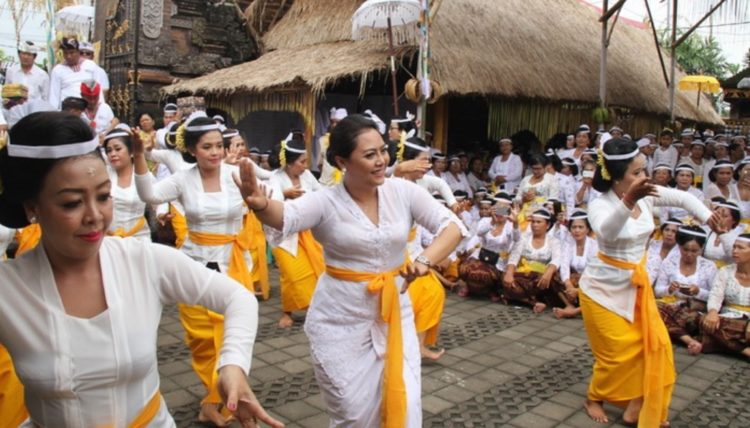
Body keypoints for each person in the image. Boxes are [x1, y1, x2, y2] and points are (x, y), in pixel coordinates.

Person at [0, 111, 280, 427]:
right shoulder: (9, 289)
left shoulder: (142, 260)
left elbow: (238, 299)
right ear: (31, 207)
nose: (95, 216)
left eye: (104, 196)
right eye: (71, 203)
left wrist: (233, 364)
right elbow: (154, 194)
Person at [234, 114, 465, 427]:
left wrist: (425, 261)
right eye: (370, 155)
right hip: (340, 319)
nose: (382, 160)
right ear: (342, 161)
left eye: (383, 151)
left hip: (394, 314)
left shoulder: (403, 192)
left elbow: (451, 227)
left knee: (403, 399)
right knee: (353, 412)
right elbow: (284, 217)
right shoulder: (326, 201)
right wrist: (260, 204)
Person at [578, 137, 721, 426]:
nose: (645, 178)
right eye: (637, 173)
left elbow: (682, 197)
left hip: (636, 287)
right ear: (616, 177)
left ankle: (636, 405)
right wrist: (629, 200)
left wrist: (707, 216)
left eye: (645, 170)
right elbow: (607, 234)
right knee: (617, 355)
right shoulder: (600, 204)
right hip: (600, 291)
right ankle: (594, 396)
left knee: (655, 348)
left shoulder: (646, 194)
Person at [133, 114, 262, 425]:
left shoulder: (237, 173)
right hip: (194, 263)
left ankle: (219, 398)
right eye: (208, 147)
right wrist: (138, 156)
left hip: (233, 262)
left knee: (232, 330)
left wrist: (259, 196)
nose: (216, 152)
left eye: (220, 145)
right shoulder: (183, 178)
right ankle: (214, 396)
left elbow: (267, 196)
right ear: (192, 150)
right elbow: (149, 196)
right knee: (201, 338)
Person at [267, 134, 324, 328]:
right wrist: (285, 194)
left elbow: (320, 192)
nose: (306, 166)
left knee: (315, 270)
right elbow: (271, 203)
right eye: (302, 162)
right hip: (285, 235)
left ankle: (314, 308)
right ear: (289, 163)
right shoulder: (275, 178)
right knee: (291, 273)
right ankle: (287, 311)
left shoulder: (306, 176)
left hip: (308, 230)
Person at [654, 226, 715, 355]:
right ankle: (689, 340)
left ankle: (677, 335)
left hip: (694, 312)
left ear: (701, 249)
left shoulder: (709, 266)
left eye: (694, 251)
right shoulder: (669, 262)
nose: (689, 254)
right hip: (670, 307)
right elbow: (657, 291)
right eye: (685, 249)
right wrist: (669, 289)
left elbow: (715, 296)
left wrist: (698, 292)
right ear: (679, 246)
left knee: (659, 315)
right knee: (656, 308)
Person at [103, 127, 160, 241]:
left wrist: (162, 213)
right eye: (109, 150)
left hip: (139, 238)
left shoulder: (145, 176)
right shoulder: (103, 175)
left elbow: (160, 200)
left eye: (118, 149)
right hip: (108, 239)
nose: (113, 154)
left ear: (132, 152)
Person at [458, 193, 519, 300]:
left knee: (485, 274)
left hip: (498, 261)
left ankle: (491, 290)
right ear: (493, 208)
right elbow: (480, 233)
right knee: (466, 268)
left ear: (509, 210)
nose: (501, 210)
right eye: (498, 207)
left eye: (504, 208)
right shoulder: (486, 221)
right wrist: (492, 221)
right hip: (482, 255)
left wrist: (515, 223)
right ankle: (470, 287)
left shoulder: (510, 225)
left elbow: (517, 239)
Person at [700, 233, 750, 359]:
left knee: (711, 334)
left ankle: (724, 344)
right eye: (734, 247)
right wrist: (712, 312)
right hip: (729, 319)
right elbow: (715, 295)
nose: (735, 251)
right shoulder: (725, 271)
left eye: (740, 248)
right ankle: (745, 351)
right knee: (705, 323)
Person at [502, 209, 562, 313]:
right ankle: (533, 302)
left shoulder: (554, 241)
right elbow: (514, 256)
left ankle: (517, 297)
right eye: (533, 222)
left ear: (547, 225)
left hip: (540, 279)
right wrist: (509, 273)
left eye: (538, 222)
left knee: (553, 279)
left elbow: (557, 259)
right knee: (507, 278)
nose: (534, 225)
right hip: (523, 277)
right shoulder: (524, 238)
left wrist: (548, 272)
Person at [554, 211, 598, 319]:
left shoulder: (594, 245)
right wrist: (569, 285)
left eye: (580, 227)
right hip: (574, 281)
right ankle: (569, 305)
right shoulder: (568, 243)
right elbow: (564, 265)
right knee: (555, 273)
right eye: (574, 227)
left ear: (587, 229)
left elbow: (594, 271)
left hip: (589, 281)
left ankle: (577, 311)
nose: (577, 230)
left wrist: (577, 291)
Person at [48, 37, 102, 109]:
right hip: (67, 112)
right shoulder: (57, 70)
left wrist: (101, 108)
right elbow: (54, 96)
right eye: (65, 53)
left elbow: (98, 89)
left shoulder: (90, 65)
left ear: (78, 52)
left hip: (88, 109)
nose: (68, 56)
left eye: (71, 52)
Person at [646, 219, 682, 284]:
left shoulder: (681, 253)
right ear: (662, 231)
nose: (669, 234)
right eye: (667, 230)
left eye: (674, 231)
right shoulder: (652, 244)